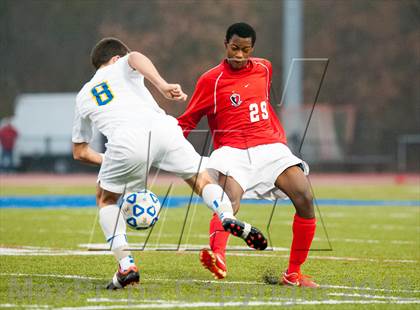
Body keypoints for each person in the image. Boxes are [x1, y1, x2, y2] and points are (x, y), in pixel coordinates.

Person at [72, 37, 268, 290]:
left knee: (107, 199)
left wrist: (114, 161)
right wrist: (162, 85)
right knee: (200, 177)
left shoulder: (83, 96)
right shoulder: (123, 64)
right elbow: (135, 57)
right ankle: (226, 215)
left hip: (124, 140)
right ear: (115, 59)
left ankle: (126, 266)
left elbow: (80, 152)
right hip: (163, 129)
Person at [177, 23, 318, 287]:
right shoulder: (211, 80)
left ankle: (293, 274)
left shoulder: (265, 67)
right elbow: (187, 121)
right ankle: (218, 257)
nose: (239, 55)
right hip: (232, 151)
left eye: (245, 49)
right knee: (229, 201)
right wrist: (169, 148)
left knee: (305, 197)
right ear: (225, 44)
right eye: (234, 48)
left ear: (252, 48)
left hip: (271, 147)